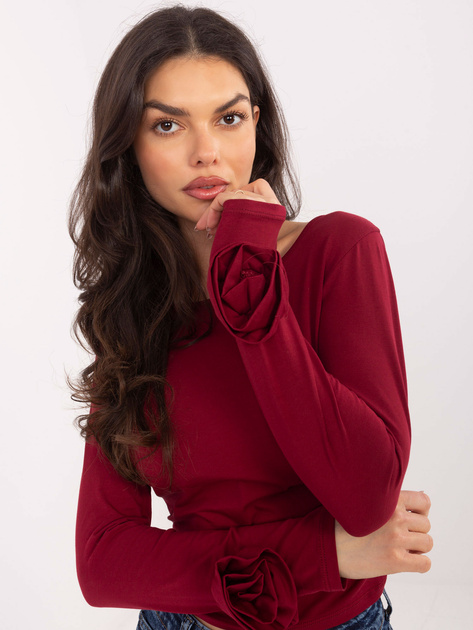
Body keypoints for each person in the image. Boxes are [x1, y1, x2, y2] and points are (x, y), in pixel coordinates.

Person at [70, 6, 433, 630]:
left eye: (229, 118)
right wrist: (325, 554)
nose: (206, 153)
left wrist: (250, 284)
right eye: (167, 125)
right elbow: (103, 565)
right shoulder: (132, 304)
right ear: (128, 145)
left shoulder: (339, 251)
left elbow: (365, 498)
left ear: (257, 126)